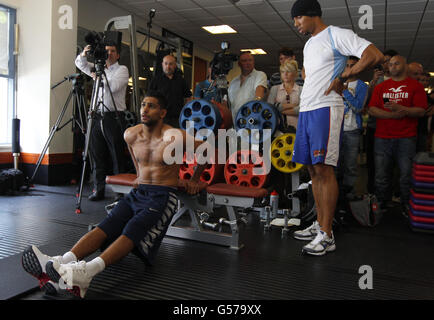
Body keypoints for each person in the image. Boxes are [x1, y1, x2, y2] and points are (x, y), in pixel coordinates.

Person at [21, 92, 207, 298]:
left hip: (162, 195)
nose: (144, 109)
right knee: (108, 224)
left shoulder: (175, 136)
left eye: (151, 106)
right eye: (143, 104)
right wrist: (139, 173)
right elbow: (132, 148)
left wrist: (194, 180)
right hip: (139, 192)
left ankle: (87, 272)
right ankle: (62, 261)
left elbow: (206, 149)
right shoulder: (131, 134)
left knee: (132, 228)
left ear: (162, 113)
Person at [290, 0, 384, 256]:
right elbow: (312, 78)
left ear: (310, 14)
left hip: (326, 108)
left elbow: (374, 55)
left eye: (297, 19)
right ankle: (319, 225)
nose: (296, 24)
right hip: (308, 110)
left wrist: (345, 75)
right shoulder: (309, 44)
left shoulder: (336, 34)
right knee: (312, 170)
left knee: (324, 169)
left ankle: (327, 235)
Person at [368, 55, 427, 215]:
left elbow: (421, 110)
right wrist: (391, 115)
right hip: (382, 137)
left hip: (406, 137)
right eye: (391, 64)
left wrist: (404, 110)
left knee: (406, 174)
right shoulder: (382, 86)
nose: (392, 66)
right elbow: (372, 109)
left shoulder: (415, 86)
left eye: (396, 64)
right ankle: (381, 203)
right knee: (381, 174)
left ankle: (406, 205)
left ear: (405, 66)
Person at [75, 41, 129, 201]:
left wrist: (98, 77)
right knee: (97, 154)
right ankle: (98, 189)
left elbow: (113, 87)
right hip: (97, 114)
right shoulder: (99, 69)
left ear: (117, 55)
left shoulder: (122, 70)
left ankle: (120, 192)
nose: (109, 54)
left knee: (116, 155)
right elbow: (80, 64)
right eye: (107, 51)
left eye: (112, 51)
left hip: (114, 116)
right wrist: (84, 54)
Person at [365, 49, 399, 194]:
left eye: (388, 61)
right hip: (374, 126)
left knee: (391, 163)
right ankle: (373, 194)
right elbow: (367, 102)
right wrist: (373, 81)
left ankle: (390, 193)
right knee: (373, 162)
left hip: (393, 129)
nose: (385, 64)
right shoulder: (377, 79)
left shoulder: (399, 80)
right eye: (383, 61)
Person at [337, 56, 369, 200]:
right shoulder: (336, 83)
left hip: (352, 130)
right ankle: (336, 195)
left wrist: (345, 92)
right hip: (336, 130)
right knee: (335, 165)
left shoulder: (362, 86)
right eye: (347, 65)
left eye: (352, 65)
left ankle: (349, 196)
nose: (349, 68)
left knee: (350, 166)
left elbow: (358, 107)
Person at [148, 55, 193, 128]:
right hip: (160, 118)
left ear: (175, 65)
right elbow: (149, 99)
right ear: (162, 64)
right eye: (166, 64)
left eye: (170, 64)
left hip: (177, 119)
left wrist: (186, 114)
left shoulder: (181, 80)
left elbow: (188, 97)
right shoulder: (156, 80)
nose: (168, 66)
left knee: (176, 139)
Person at [227, 51, 267, 121]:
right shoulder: (233, 81)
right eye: (244, 61)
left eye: (250, 60)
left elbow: (259, 95)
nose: (248, 63)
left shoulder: (260, 75)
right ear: (239, 64)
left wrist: (254, 107)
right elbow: (228, 103)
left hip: (252, 120)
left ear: (253, 62)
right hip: (235, 122)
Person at [267, 60, 302, 131]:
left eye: (288, 71)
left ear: (295, 73)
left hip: (297, 128)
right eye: (283, 72)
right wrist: (293, 105)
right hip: (277, 129)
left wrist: (278, 109)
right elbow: (269, 108)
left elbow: (301, 110)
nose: (285, 74)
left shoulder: (301, 89)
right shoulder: (275, 89)